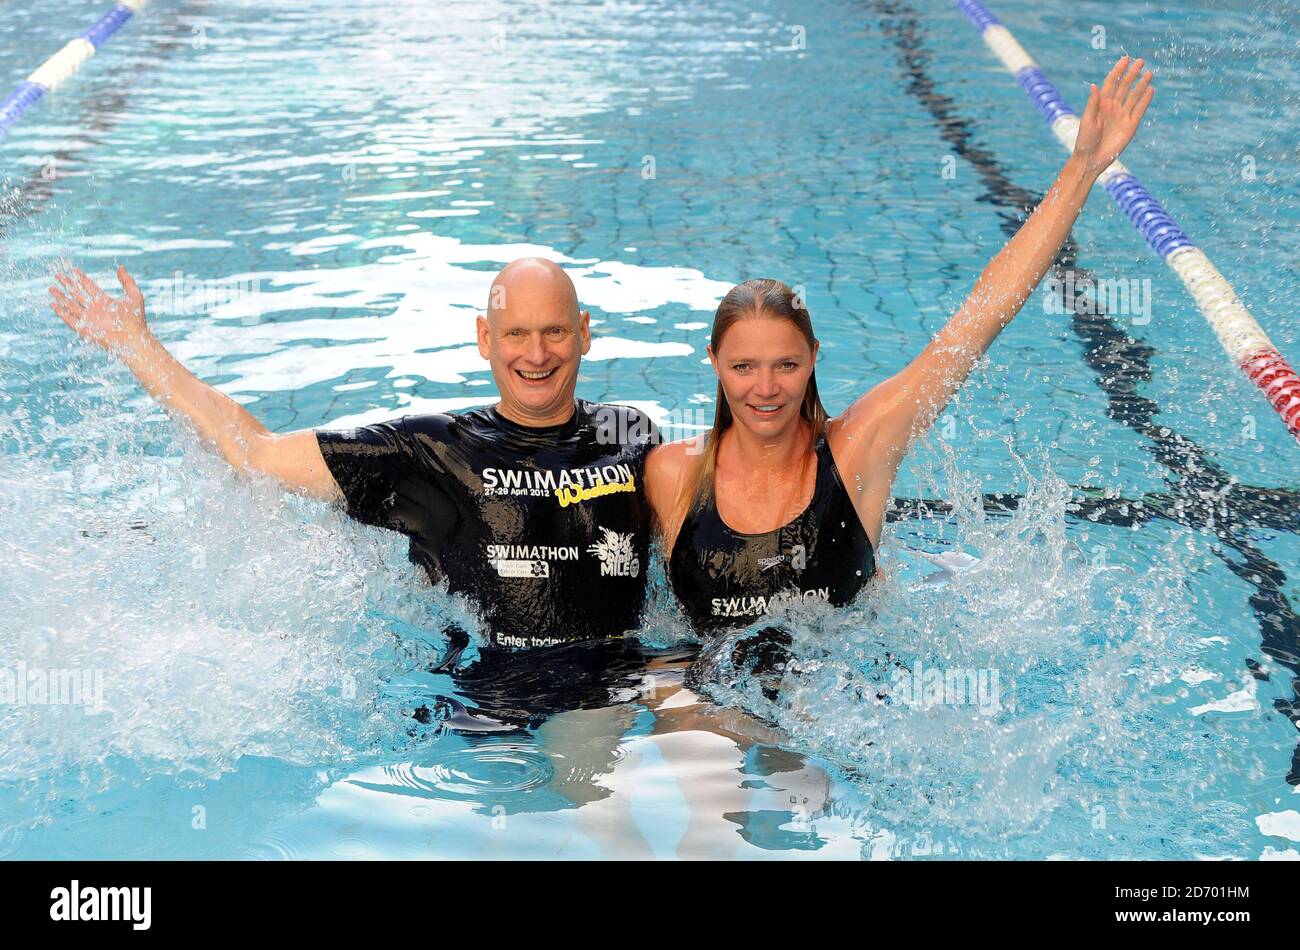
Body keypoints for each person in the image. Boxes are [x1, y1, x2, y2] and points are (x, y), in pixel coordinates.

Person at [645, 56, 1156, 641]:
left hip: (834, 707)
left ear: (813, 357)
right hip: (708, 706)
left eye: (786, 364)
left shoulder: (860, 451)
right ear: (714, 364)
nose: (765, 388)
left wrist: (1083, 168)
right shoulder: (673, 475)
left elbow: (976, 322)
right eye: (743, 367)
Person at [48, 256, 664, 722]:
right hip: (495, 692)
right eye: (516, 334)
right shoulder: (429, 450)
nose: (536, 354)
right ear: (484, 339)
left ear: (584, 331)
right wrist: (138, 346)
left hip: (628, 667)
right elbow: (253, 454)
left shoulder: (632, 435)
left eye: (555, 332)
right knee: (598, 803)